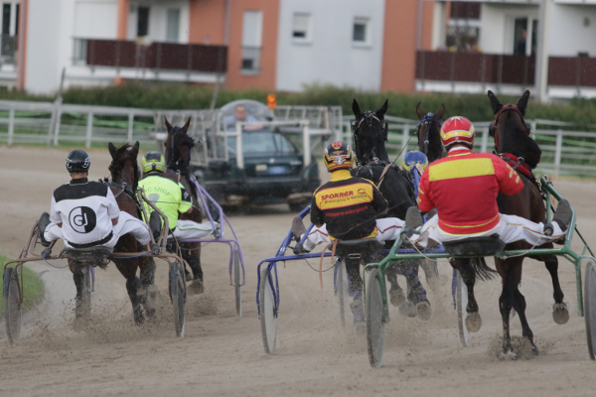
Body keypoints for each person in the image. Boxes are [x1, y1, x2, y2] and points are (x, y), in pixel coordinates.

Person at [291, 141, 407, 326]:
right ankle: (420, 239)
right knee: (400, 224)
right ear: (351, 160)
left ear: (328, 163)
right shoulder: (367, 185)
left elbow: (318, 221)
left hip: (339, 242)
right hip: (369, 238)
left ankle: (302, 244)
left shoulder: (319, 193)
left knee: (318, 231)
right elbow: (383, 209)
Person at [410, 116, 571, 248]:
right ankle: (554, 230)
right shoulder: (491, 161)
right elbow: (516, 188)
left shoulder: (431, 171)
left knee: (423, 231)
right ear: (472, 138)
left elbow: (424, 208)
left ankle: (412, 235)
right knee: (522, 225)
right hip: (490, 229)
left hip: (448, 233)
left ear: (444, 141)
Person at [38, 149, 154, 253]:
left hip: (72, 243)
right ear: (87, 165)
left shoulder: (58, 193)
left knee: (53, 227)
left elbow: (58, 223)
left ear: (68, 167)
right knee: (131, 221)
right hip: (105, 241)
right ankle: (148, 245)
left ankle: (46, 238)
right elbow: (114, 220)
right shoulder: (103, 189)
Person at [137, 151, 217, 286]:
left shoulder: (137, 186)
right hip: (170, 231)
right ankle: (216, 225)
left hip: (144, 234)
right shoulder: (176, 185)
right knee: (206, 227)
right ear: (162, 165)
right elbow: (188, 210)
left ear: (144, 166)